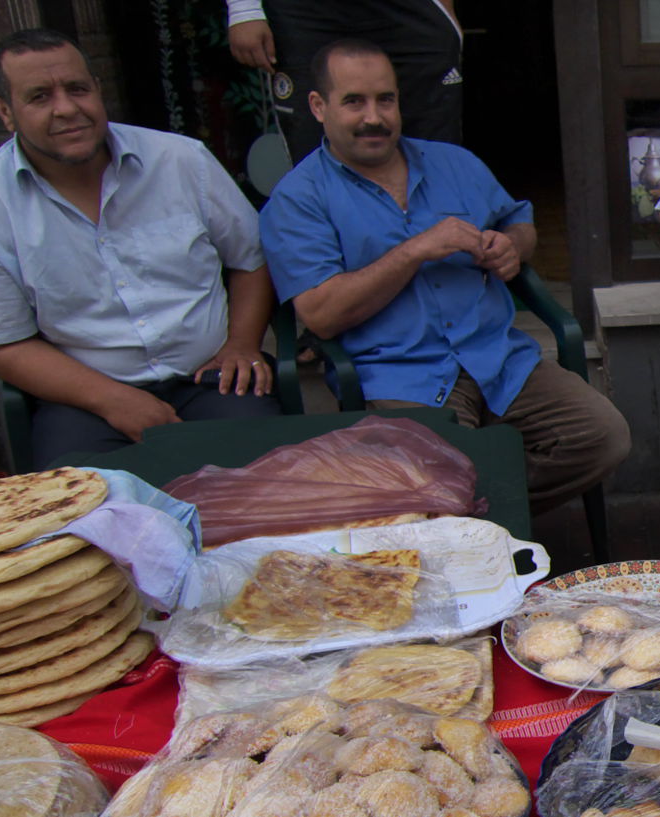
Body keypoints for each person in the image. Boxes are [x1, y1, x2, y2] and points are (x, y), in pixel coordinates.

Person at [259, 39, 629, 516]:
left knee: (604, 437)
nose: (374, 117)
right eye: (354, 101)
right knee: (438, 478)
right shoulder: (298, 199)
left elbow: (518, 219)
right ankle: (471, 520)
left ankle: (481, 514)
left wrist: (512, 246)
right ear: (318, 106)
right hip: (399, 374)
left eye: (385, 99)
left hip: (498, 359)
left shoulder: (453, 163)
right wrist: (413, 251)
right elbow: (322, 315)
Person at [0, 28, 281, 470]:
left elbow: (250, 260)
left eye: (77, 89)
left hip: (212, 377)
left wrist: (241, 343)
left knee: (272, 488)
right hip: (85, 398)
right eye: (40, 97)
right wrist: (113, 400)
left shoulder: (181, 161)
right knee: (86, 516)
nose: (67, 109)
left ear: (97, 90)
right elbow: (4, 344)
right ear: (6, 112)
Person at [225, 0, 462, 162]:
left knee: (433, 145)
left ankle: (440, 233)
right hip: (304, 12)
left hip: (407, 10)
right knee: (312, 140)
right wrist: (244, 9)